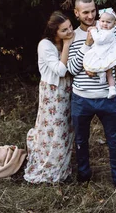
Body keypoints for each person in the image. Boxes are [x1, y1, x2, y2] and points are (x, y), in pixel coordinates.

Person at [67, 0, 116, 189]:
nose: (90, 16)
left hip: (107, 98)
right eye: (85, 12)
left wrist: (102, 64)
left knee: (114, 140)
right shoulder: (73, 35)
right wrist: (86, 44)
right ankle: (84, 177)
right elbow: (71, 68)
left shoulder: (109, 26)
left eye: (93, 11)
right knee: (80, 140)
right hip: (81, 98)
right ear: (77, 13)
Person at [24, 11, 75, 184]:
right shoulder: (45, 45)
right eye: (64, 30)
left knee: (66, 129)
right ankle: (50, 169)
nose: (70, 32)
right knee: (54, 130)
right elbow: (60, 71)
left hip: (66, 90)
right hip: (53, 92)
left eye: (70, 27)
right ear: (55, 32)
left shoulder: (66, 39)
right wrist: (68, 44)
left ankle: (63, 166)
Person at [82, 8, 116, 99]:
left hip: (107, 55)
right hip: (102, 53)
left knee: (109, 73)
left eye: (108, 22)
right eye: (103, 21)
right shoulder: (103, 29)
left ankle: (112, 89)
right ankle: (101, 74)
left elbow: (98, 40)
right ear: (99, 21)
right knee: (97, 64)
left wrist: (93, 30)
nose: (105, 24)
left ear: (114, 24)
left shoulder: (109, 33)